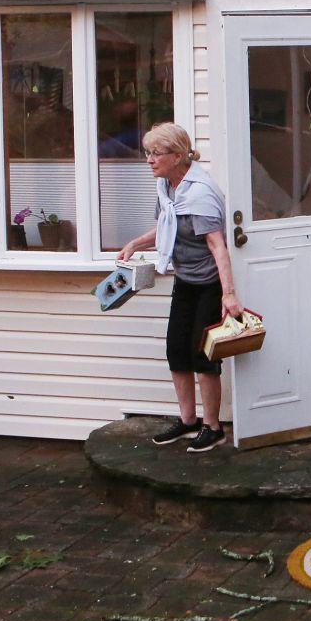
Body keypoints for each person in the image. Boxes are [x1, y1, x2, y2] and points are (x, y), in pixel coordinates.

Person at [117, 123, 240, 454]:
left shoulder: (199, 193)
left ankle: (212, 427)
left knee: (202, 355)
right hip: (185, 279)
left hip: (209, 284)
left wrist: (228, 294)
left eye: (155, 153)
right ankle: (188, 420)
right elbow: (166, 226)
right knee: (176, 350)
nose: (149, 160)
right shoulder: (168, 188)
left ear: (177, 155)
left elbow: (218, 246)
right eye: (147, 153)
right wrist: (135, 243)